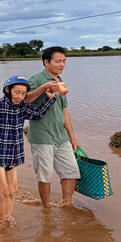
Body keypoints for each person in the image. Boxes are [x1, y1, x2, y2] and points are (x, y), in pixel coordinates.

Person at [0, 75, 59, 223]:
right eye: (17, 92)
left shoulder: (22, 106)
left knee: (13, 190)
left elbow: (37, 114)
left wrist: (50, 98)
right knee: (4, 191)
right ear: (8, 90)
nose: (20, 96)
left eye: (23, 94)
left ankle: (8, 220)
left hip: (13, 154)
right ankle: (0, 224)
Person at [27, 47, 81, 207]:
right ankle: (46, 208)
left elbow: (64, 112)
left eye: (64, 61)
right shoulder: (36, 79)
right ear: (46, 62)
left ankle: (67, 204)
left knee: (71, 172)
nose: (62, 64)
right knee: (44, 176)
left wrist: (72, 138)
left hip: (61, 137)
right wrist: (44, 88)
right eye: (58, 61)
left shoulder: (60, 81)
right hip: (42, 137)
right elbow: (24, 100)